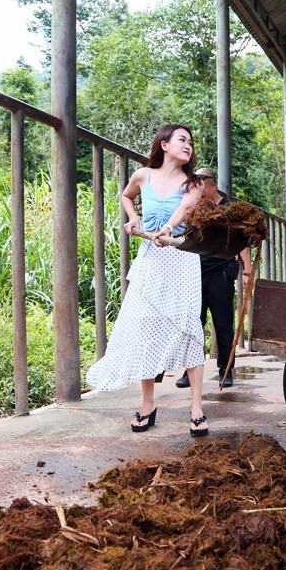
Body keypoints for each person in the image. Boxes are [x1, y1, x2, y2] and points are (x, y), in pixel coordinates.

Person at [86, 124, 209, 437]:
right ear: (164, 144)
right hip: (150, 259)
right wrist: (133, 217)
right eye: (182, 140)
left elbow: (185, 209)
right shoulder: (143, 175)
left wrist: (167, 229)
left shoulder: (193, 183)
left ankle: (196, 407)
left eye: (191, 142)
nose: (189, 145)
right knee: (145, 328)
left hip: (181, 257)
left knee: (189, 328)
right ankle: (148, 404)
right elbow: (126, 196)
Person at [176, 167, 252, 389]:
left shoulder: (229, 209)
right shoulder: (196, 207)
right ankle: (189, 371)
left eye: (199, 182)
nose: (196, 187)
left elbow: (242, 243)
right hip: (196, 272)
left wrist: (246, 271)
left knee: (223, 323)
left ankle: (225, 370)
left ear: (211, 184)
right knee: (193, 323)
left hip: (221, 271)